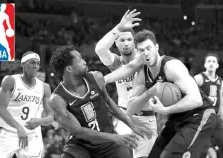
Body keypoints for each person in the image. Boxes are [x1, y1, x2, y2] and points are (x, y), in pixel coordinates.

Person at [104, 29, 217, 158]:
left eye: (149, 48)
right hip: (177, 118)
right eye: (141, 50)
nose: (146, 53)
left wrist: (165, 110)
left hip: (200, 116)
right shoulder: (143, 73)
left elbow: (196, 99)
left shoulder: (171, 67)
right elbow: (130, 109)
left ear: (156, 47)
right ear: (137, 52)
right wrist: (149, 93)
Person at [49, 45, 152, 158]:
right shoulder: (57, 100)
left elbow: (108, 103)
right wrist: (114, 137)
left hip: (109, 142)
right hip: (81, 146)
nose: (84, 62)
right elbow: (79, 132)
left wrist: (132, 125)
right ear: (69, 68)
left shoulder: (96, 77)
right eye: (79, 60)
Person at [95, 9, 157, 158]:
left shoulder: (144, 58)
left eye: (129, 40)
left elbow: (130, 67)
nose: (126, 43)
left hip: (146, 117)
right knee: (116, 153)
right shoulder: (115, 62)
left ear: (135, 43)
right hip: (124, 115)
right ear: (116, 43)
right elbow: (100, 49)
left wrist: (104, 79)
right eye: (122, 40)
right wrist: (118, 28)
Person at [0, 51, 54, 158]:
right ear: (23, 64)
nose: (35, 66)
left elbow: (50, 117)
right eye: (32, 63)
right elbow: (0, 109)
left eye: (37, 63)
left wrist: (40, 121)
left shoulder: (45, 87)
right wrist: (18, 127)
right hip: (8, 134)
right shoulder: (10, 81)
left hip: (31, 136)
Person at [194, 53, 223, 158]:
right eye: (209, 61)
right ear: (205, 65)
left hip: (215, 119)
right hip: (202, 119)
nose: (211, 63)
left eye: (214, 61)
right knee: (209, 151)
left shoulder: (220, 81)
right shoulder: (198, 78)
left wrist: (221, 119)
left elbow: (221, 102)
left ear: (217, 65)